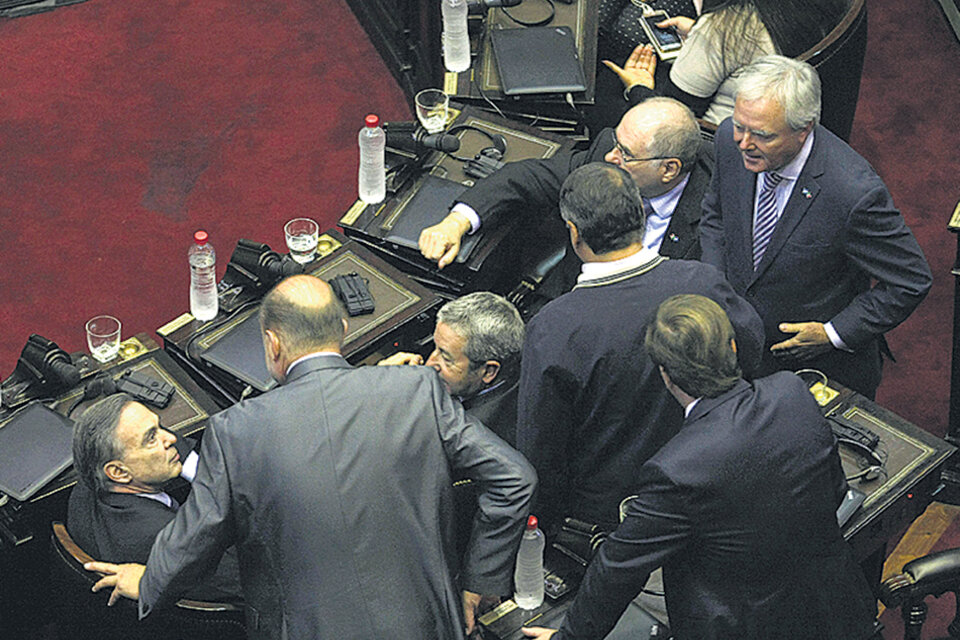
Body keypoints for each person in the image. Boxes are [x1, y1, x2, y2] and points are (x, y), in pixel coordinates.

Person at [85, 275, 537, 639]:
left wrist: (148, 582)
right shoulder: (418, 389)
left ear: (273, 344)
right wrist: (478, 583)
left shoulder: (235, 430)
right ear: (343, 329)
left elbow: (195, 539)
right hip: (427, 621)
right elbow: (515, 478)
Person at [522, 294, 878, 640]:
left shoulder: (675, 470)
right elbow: (834, 494)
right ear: (734, 348)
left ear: (665, 375)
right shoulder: (792, 392)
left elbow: (617, 569)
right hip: (838, 610)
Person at [517, 162, 764, 533]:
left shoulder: (554, 328)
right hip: (716, 482)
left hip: (609, 520)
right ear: (640, 215)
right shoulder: (704, 283)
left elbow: (541, 452)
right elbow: (752, 355)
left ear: (574, 233)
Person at [698, 55, 932, 399]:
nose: (744, 143)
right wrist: (717, 293)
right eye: (739, 125)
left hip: (815, 375)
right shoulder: (726, 140)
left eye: (761, 135)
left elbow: (910, 280)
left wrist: (832, 333)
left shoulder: (852, 193)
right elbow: (715, 216)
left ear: (804, 129)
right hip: (737, 359)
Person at [419, 97, 712, 276]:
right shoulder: (606, 158)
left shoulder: (716, 210)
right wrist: (456, 222)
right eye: (615, 144)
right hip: (570, 297)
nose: (611, 157)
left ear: (669, 169)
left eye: (626, 153)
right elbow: (527, 178)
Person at [68, 393, 241, 603]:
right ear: (119, 472)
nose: (171, 438)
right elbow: (254, 580)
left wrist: (197, 471)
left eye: (160, 427)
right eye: (151, 438)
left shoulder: (86, 485)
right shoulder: (173, 544)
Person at [604, 0, 851, 125]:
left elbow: (672, 121)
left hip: (718, 146)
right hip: (787, 126)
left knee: (604, 101)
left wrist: (638, 87)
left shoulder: (725, 27)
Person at [378, 291, 524, 445]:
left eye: (446, 359)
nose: (429, 364)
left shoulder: (467, 438)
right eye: (435, 348)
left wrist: (380, 392)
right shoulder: (519, 369)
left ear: (488, 371)